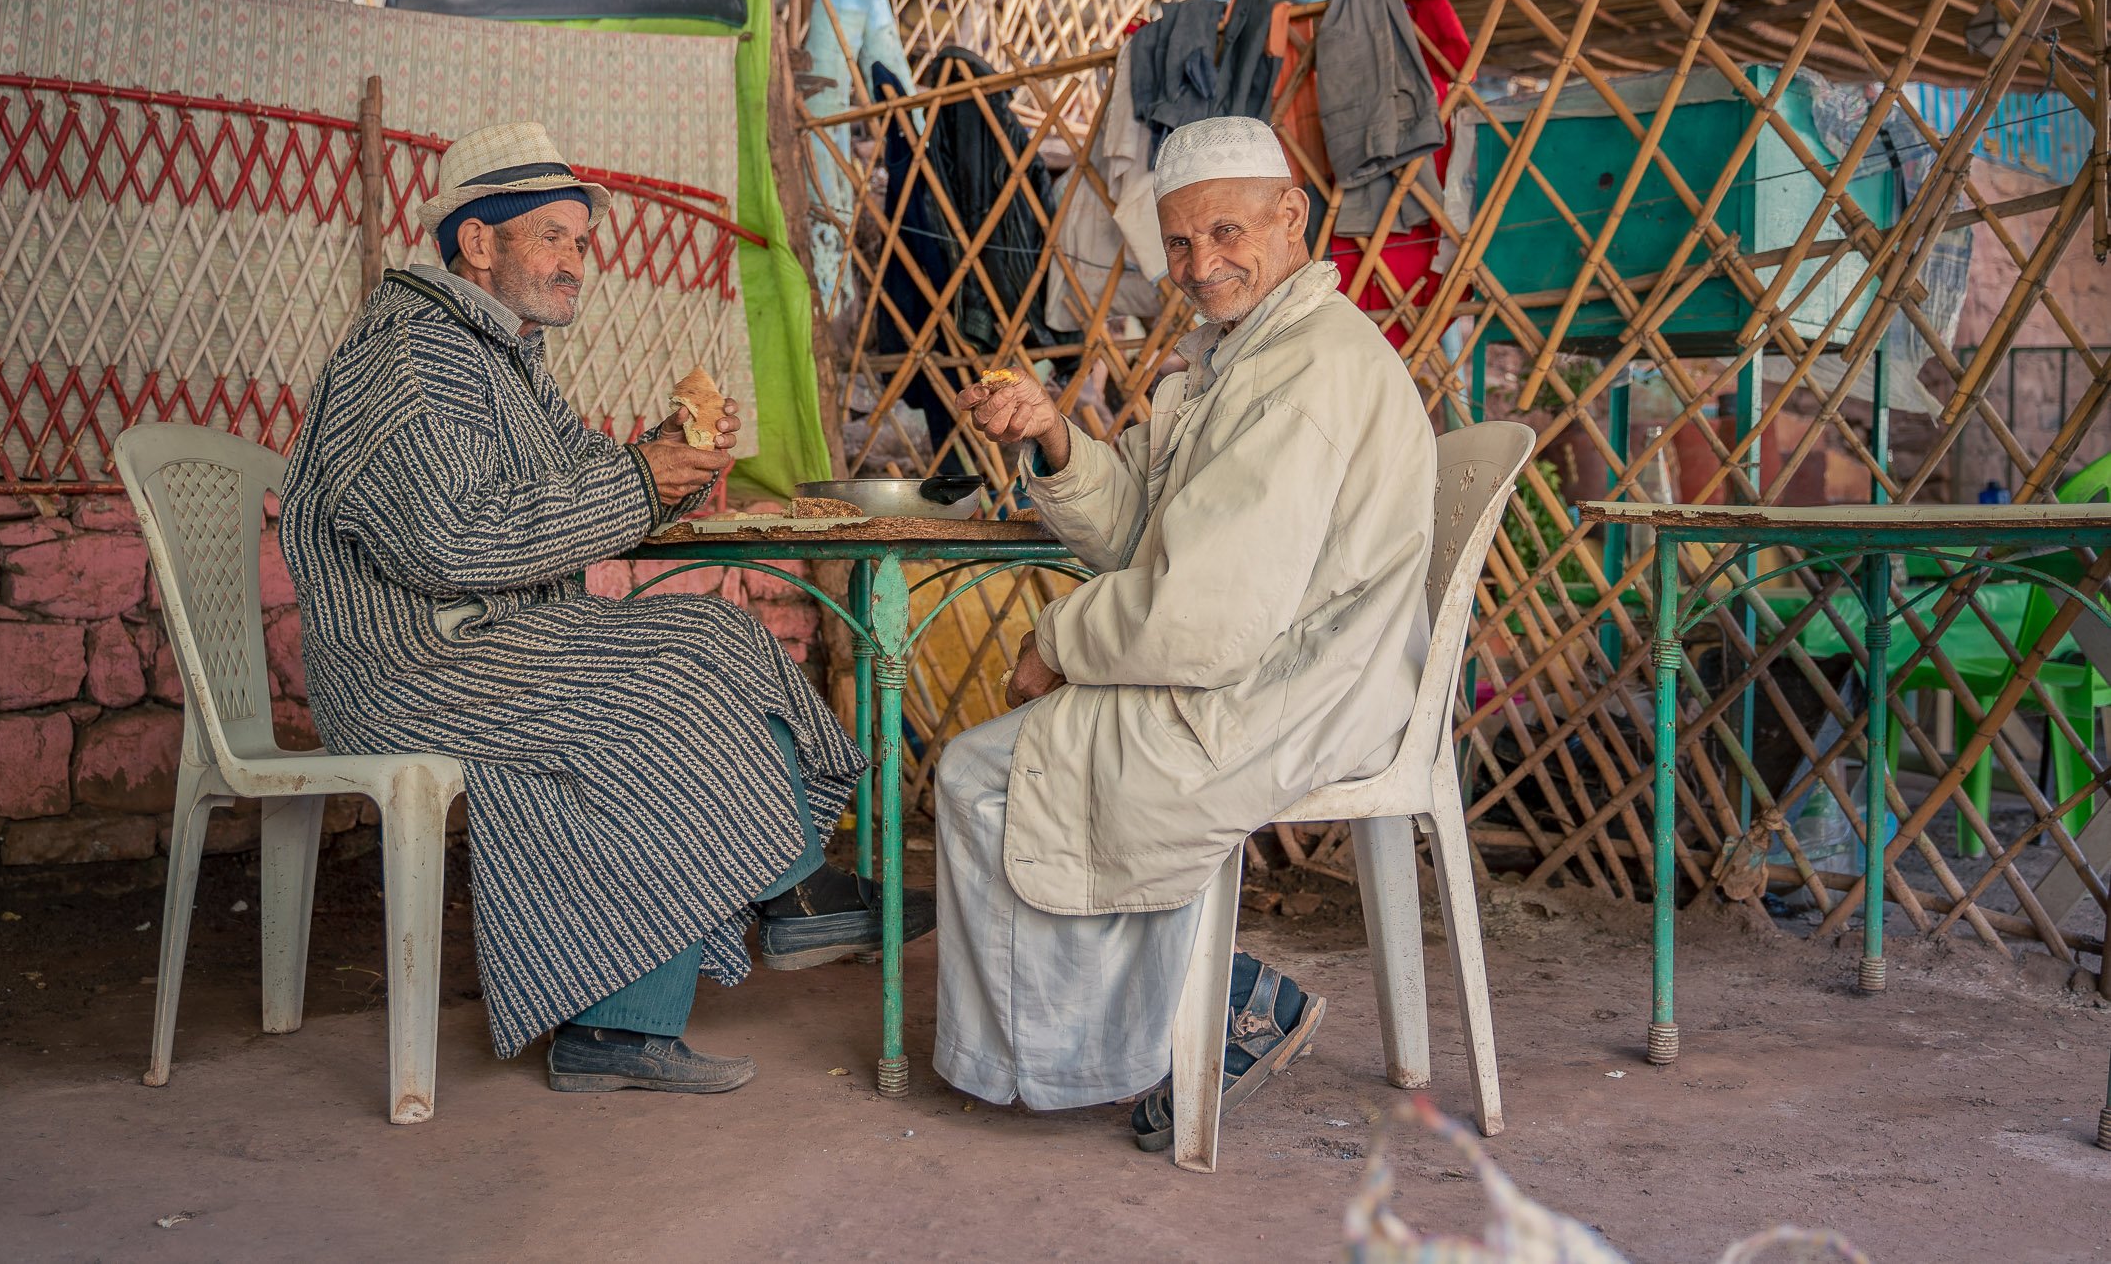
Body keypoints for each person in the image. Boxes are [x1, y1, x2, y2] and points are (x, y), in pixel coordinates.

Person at [280, 121, 929, 1096]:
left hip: (486, 646)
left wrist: (660, 454)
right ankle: (780, 896)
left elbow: (572, 478)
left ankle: (627, 1022)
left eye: (580, 240)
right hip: (410, 664)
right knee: (661, 678)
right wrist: (637, 477)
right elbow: (457, 540)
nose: (576, 260)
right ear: (477, 241)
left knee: (705, 634)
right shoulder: (411, 357)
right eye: (551, 236)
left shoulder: (495, 351)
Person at [936, 114, 1436, 1151]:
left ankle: (1203, 1016)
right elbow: (1148, 538)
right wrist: (1055, 436)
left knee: (987, 774)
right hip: (1261, 660)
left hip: (1297, 681)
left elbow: (1204, 614)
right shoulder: (1247, 353)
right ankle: (1173, 1018)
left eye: (1225, 232)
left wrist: (1058, 641)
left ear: (1288, 216)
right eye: (1179, 243)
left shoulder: (1306, 373)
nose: (1200, 263)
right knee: (1013, 764)